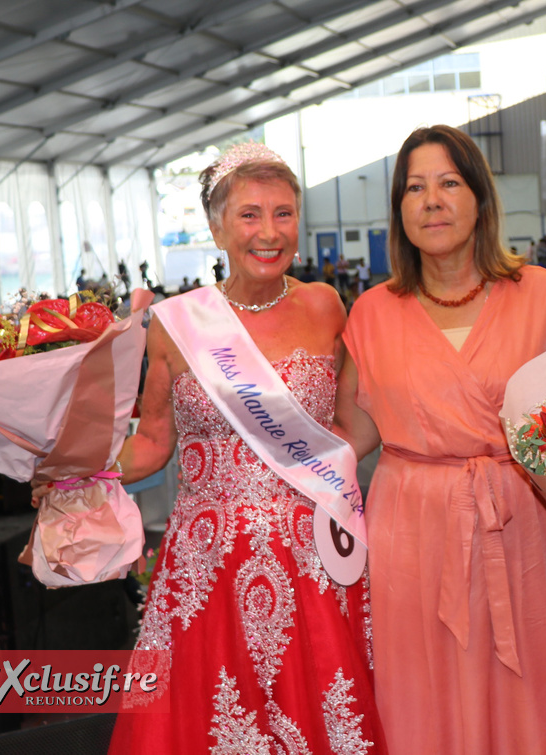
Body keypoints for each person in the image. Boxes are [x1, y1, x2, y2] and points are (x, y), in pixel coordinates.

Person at [106, 143, 386, 753]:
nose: (269, 232)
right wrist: (77, 470)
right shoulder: (177, 325)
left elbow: (352, 422)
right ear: (216, 227)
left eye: (283, 214)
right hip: (208, 564)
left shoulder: (325, 305)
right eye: (250, 214)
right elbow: (152, 443)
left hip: (315, 556)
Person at [334, 125, 546, 755]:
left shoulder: (544, 296)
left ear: (480, 200)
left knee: (531, 690)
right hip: (409, 539)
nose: (431, 200)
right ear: (398, 209)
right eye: (414, 187)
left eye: (448, 183)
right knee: (422, 702)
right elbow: (347, 438)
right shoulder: (371, 313)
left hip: (521, 529)